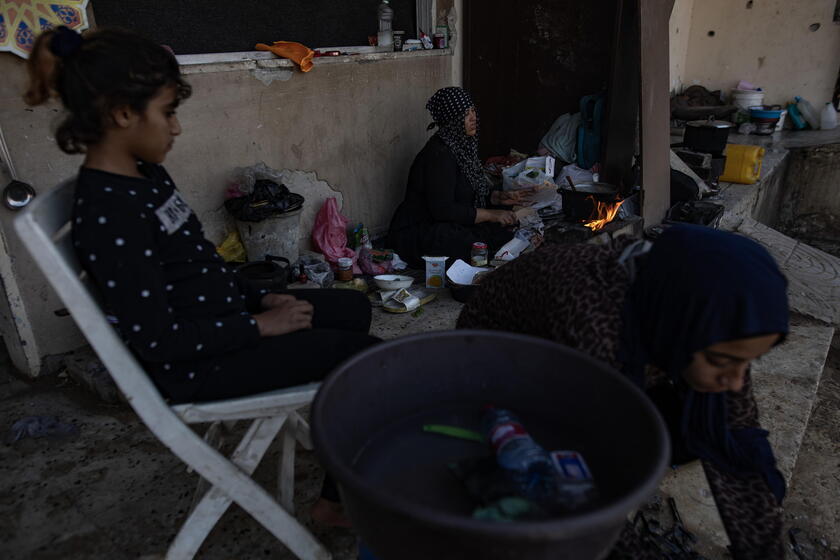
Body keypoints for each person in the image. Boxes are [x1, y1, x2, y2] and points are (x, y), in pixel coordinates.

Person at [24, 25, 376, 527]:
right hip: (198, 366)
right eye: (167, 113)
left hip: (222, 324)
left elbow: (198, 265)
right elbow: (158, 339)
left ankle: (340, 431)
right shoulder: (109, 213)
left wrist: (260, 301)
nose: (176, 128)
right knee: (365, 359)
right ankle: (335, 504)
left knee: (354, 307)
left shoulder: (145, 176)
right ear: (123, 114)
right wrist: (259, 327)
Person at [457, 225, 789, 559]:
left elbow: (737, 436)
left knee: (700, 428)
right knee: (545, 475)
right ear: (681, 326)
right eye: (721, 361)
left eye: (747, 362)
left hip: (592, 360)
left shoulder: (690, 315)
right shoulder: (596, 329)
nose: (735, 380)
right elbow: (589, 488)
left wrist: (765, 551)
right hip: (496, 366)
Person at [387, 87, 532, 267]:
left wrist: (497, 198)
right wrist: (491, 214)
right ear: (451, 119)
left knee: (501, 233)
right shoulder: (439, 154)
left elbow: (467, 194)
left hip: (450, 222)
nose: (473, 118)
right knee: (470, 244)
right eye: (465, 114)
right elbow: (443, 210)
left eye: (472, 111)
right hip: (421, 230)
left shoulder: (462, 147)